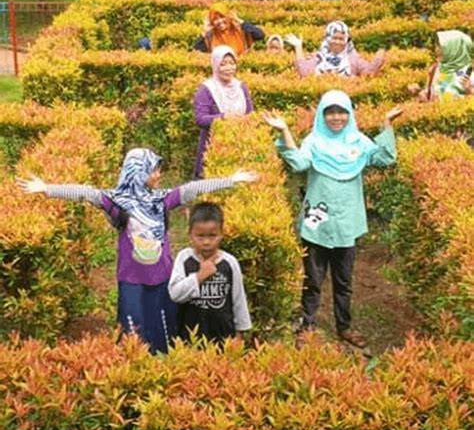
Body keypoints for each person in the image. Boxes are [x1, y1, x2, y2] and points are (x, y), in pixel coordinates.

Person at [17, 148, 258, 354]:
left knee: (165, 329)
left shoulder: (161, 200)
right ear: (138, 172)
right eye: (154, 170)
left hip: (163, 276)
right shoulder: (117, 202)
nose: (158, 175)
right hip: (132, 279)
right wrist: (47, 188)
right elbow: (86, 193)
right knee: (134, 331)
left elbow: (192, 189)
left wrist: (230, 180)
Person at [264, 90, 402, 348]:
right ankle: (308, 326)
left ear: (349, 114)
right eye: (330, 112)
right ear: (322, 115)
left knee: (344, 280)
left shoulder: (358, 141)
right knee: (312, 280)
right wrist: (284, 131)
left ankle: (345, 326)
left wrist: (387, 124)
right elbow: (300, 164)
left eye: (341, 112)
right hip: (318, 223)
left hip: (346, 223)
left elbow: (385, 158)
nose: (336, 118)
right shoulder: (314, 142)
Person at [168, 202, 251, 344]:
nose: (206, 242)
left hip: (224, 337)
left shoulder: (229, 263)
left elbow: (238, 299)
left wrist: (240, 333)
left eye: (212, 236)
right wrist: (199, 276)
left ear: (221, 234)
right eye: (200, 236)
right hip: (190, 338)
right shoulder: (184, 258)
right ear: (190, 234)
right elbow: (175, 293)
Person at [193, 45, 253, 178]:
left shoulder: (241, 87)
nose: (229, 68)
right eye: (223, 64)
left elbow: (250, 114)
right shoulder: (206, 89)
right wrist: (223, 117)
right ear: (215, 65)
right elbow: (200, 119)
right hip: (214, 145)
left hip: (239, 144)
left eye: (232, 63)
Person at [285, 20, 386, 77]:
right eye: (334, 38)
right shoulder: (318, 57)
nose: (337, 41)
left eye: (341, 39)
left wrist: (379, 56)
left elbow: (368, 73)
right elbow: (304, 72)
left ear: (347, 40)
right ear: (328, 38)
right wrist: (298, 46)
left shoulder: (353, 58)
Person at [415, 30, 473, 101]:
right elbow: (429, 95)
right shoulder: (435, 69)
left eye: (441, 47)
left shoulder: (469, 73)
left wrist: (470, 90)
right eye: (436, 46)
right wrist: (421, 93)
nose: (436, 50)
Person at [193, 2, 265, 55]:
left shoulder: (239, 29)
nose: (220, 21)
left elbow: (260, 35)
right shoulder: (211, 36)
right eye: (215, 19)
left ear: (227, 15)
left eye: (222, 16)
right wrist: (205, 32)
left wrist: (240, 21)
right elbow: (196, 49)